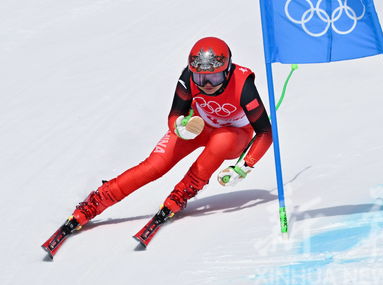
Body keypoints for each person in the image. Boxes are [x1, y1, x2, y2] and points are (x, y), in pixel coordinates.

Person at [63, 37, 273, 231]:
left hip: (235, 134)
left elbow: (265, 132)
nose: (207, 85)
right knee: (155, 165)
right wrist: (179, 126)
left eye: (215, 77)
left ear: (227, 71)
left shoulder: (243, 85)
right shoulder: (187, 77)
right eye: (201, 78)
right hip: (199, 126)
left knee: (221, 141)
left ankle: (183, 191)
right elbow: (175, 114)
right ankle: (98, 200)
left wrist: (244, 166)